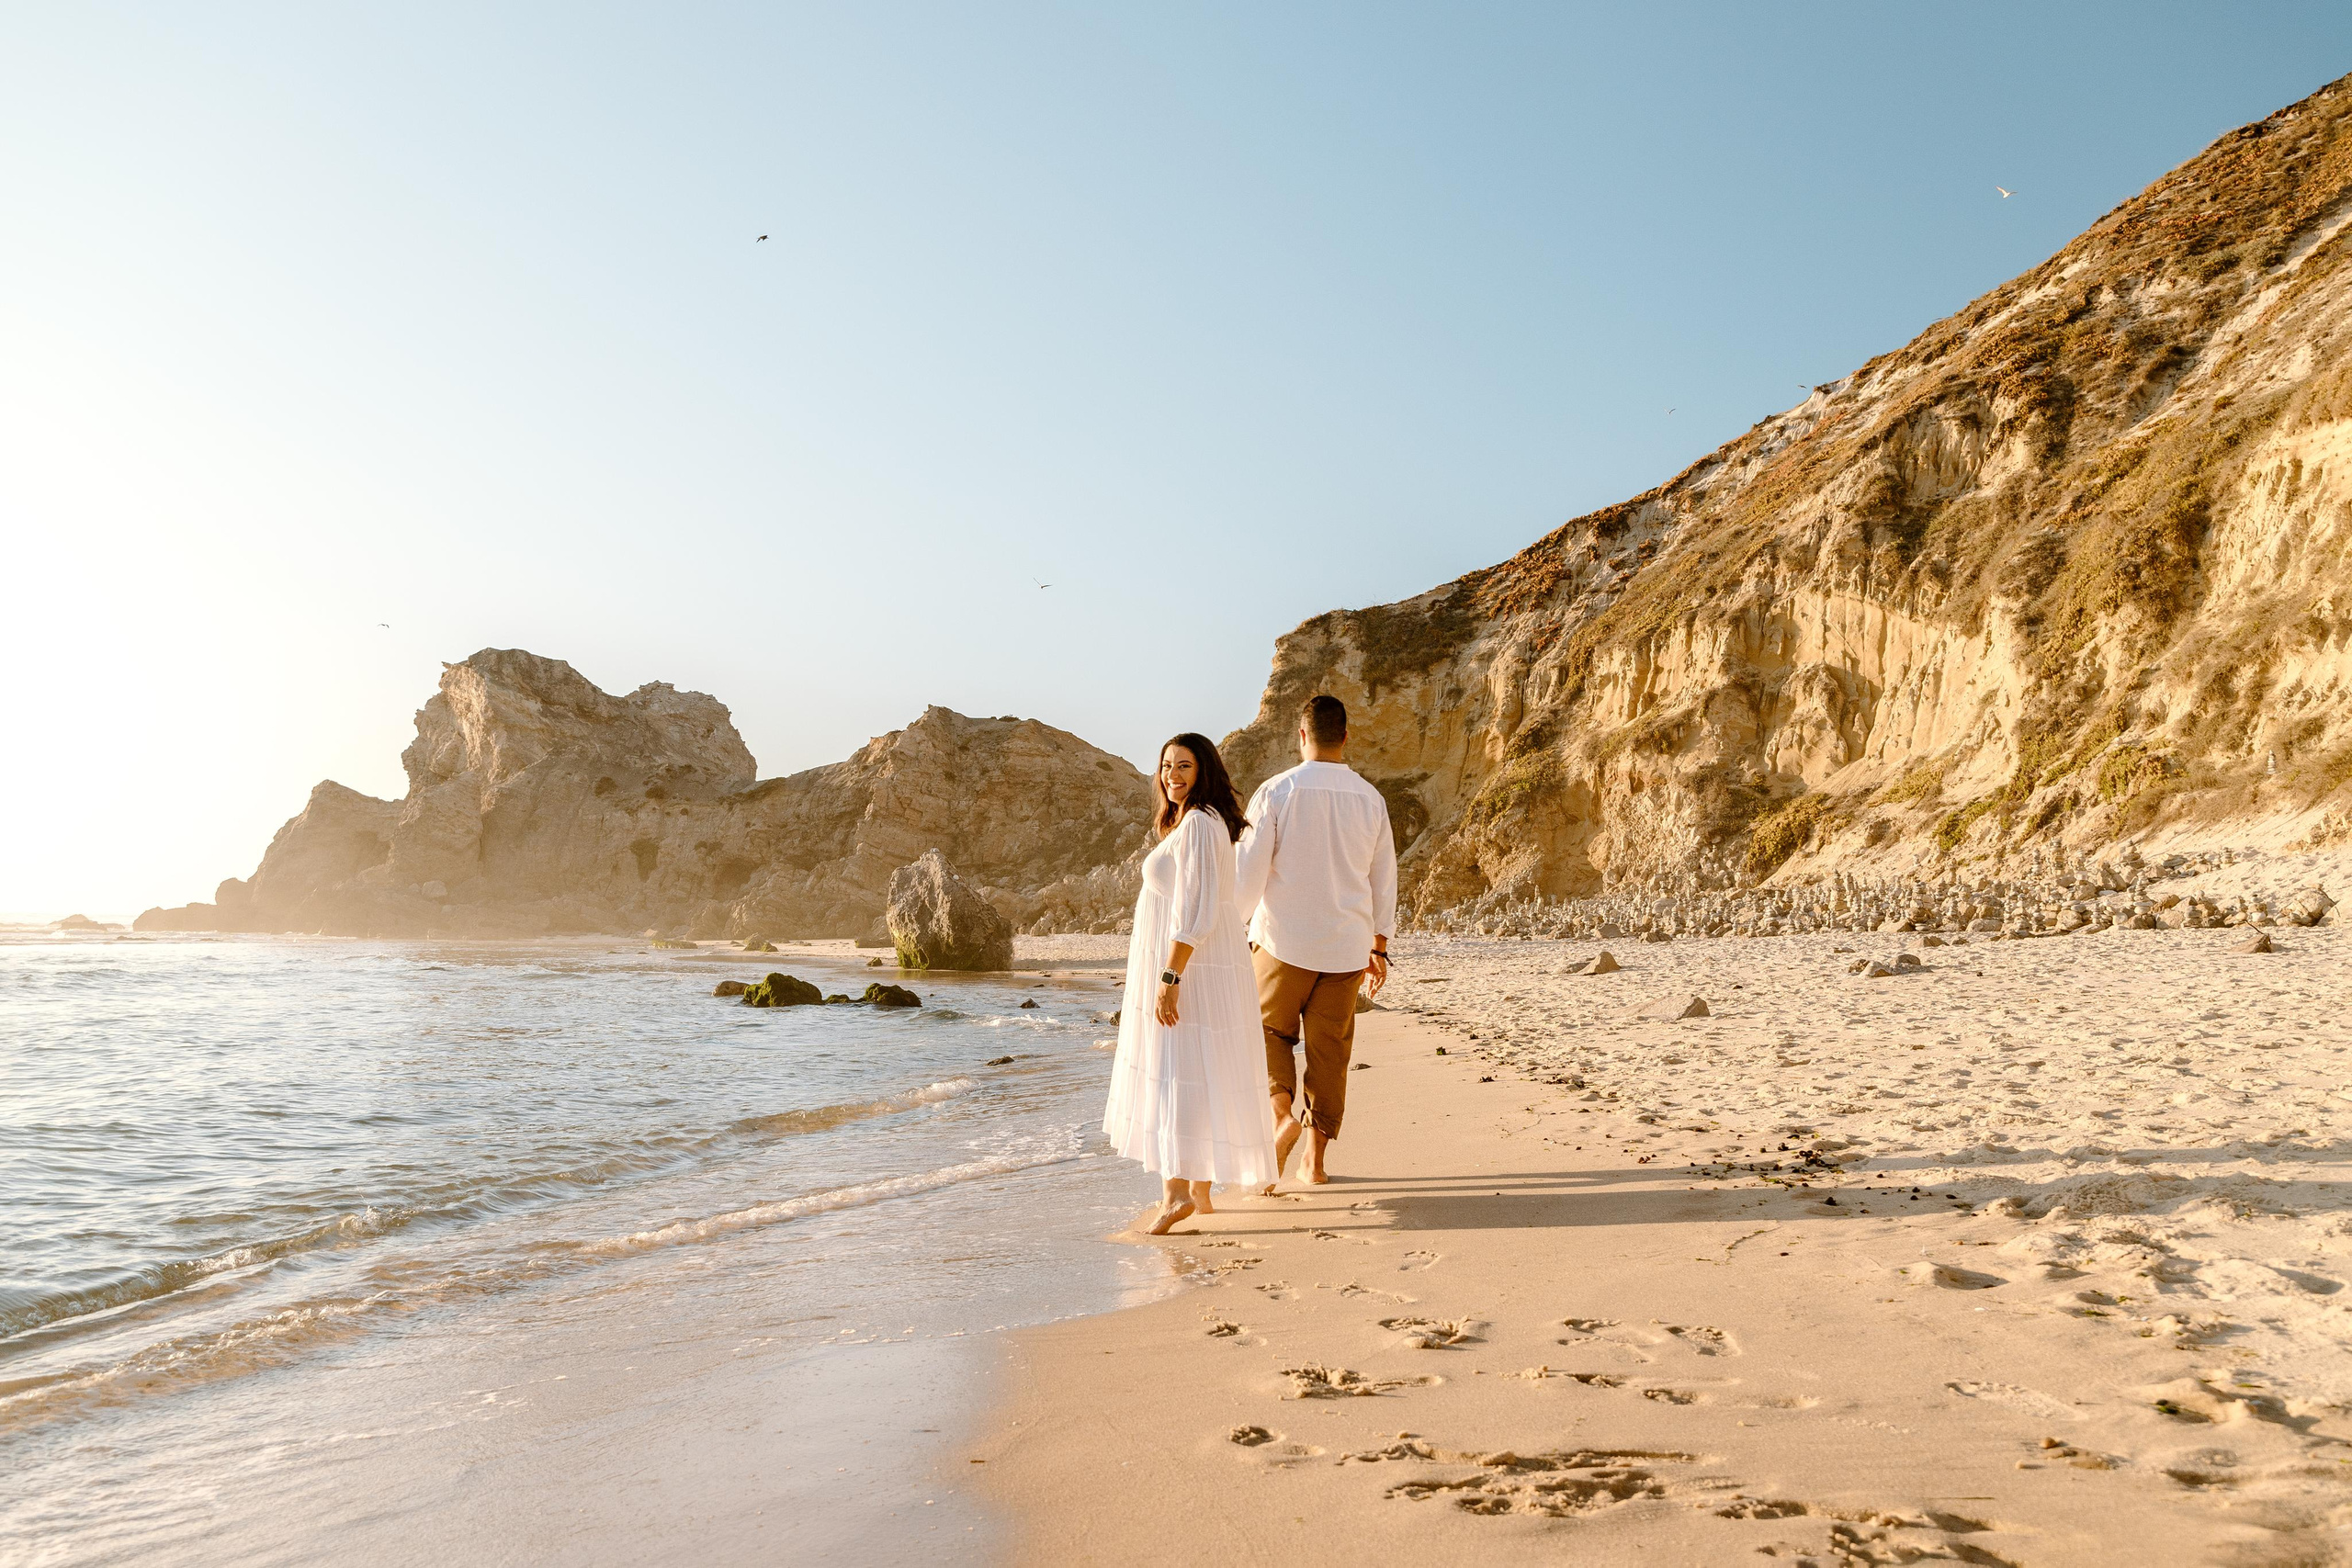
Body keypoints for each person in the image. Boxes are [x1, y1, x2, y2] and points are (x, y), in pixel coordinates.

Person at [1102, 732, 1279, 1234]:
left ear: (1204, 771)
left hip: (1191, 970)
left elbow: (1195, 910)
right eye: (1165, 766)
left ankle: (1175, 1193)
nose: (1172, 775)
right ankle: (1198, 1191)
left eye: (1184, 766)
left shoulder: (1200, 823)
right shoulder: (1194, 823)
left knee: (1177, 1068)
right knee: (1193, 1066)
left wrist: (1170, 976)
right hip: (1198, 967)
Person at [1234, 694, 1396, 1189]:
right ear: (1345, 737)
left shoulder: (1276, 792)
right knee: (1330, 1053)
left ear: (1301, 736)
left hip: (1282, 942)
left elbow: (1249, 873)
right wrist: (1380, 946)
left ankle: (1281, 1116)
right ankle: (1314, 1162)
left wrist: (1233, 927)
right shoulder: (1370, 798)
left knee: (1267, 1034)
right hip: (1347, 949)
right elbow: (1383, 878)